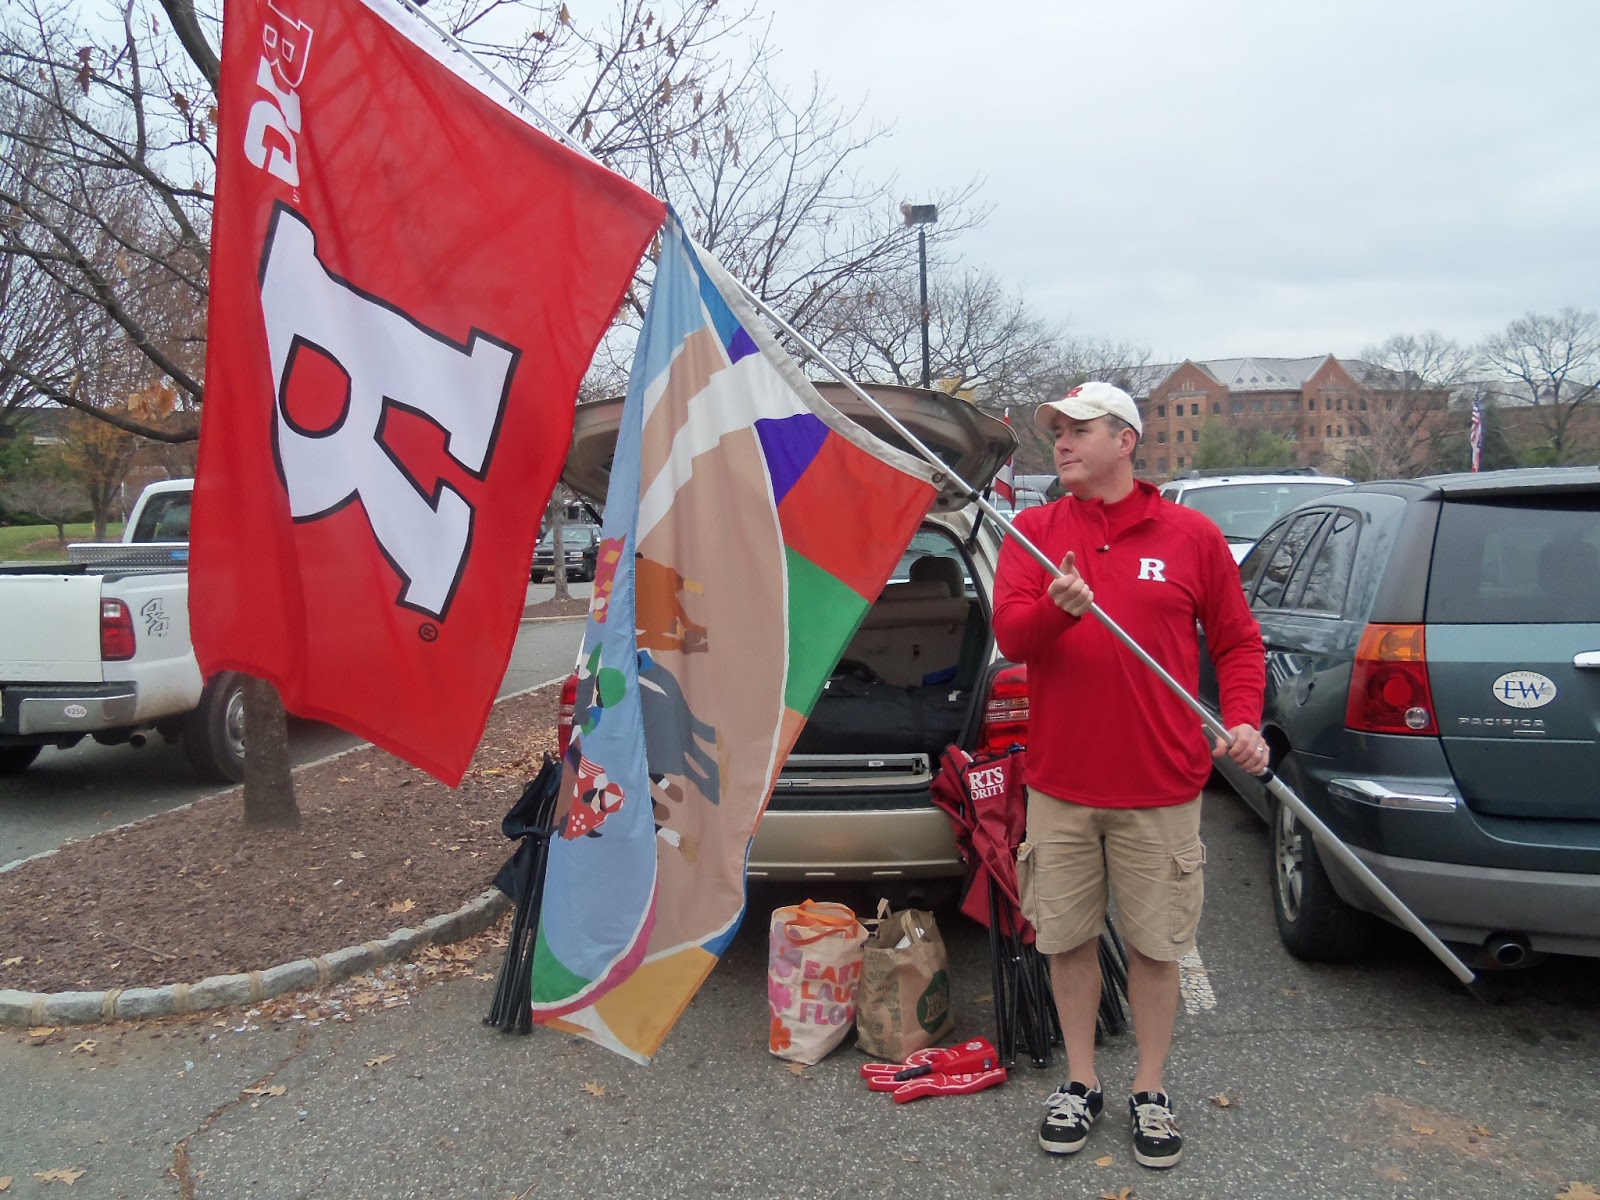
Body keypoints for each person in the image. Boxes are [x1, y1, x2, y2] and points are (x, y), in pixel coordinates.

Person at [992, 381, 1267, 1171]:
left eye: (1080, 429)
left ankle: (1149, 1089)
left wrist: (1241, 717)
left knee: (1156, 946)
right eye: (1057, 432)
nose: (1063, 443)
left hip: (1162, 788)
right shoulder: (1037, 534)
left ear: (1127, 440)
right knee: (1068, 940)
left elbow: (1238, 644)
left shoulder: (1190, 536)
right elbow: (1014, 637)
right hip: (1062, 787)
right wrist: (1058, 609)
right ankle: (1081, 1082)